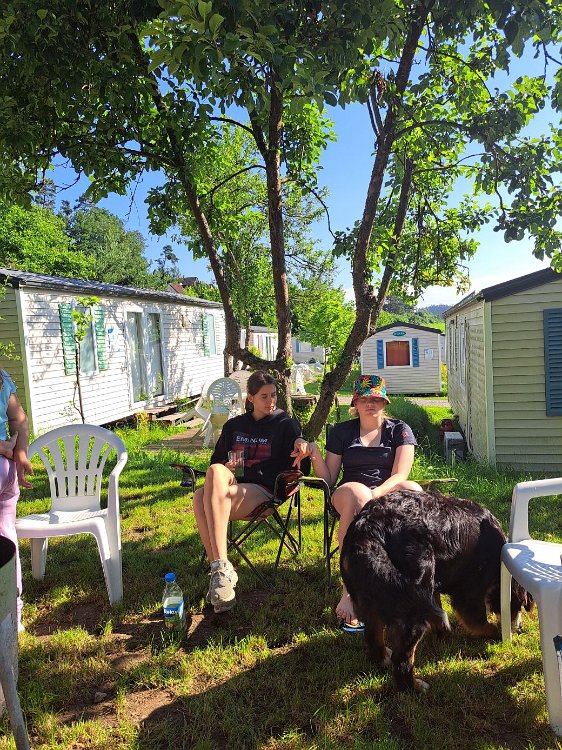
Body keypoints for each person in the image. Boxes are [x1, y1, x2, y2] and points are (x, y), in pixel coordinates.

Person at [303, 374, 422, 631]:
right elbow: (329, 478)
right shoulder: (342, 432)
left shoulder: (400, 430)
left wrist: (377, 493)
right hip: (349, 493)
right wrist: (314, 454)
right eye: (365, 399)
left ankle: (412, 584)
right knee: (359, 495)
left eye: (376, 399)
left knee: (415, 491)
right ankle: (350, 591)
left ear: (385, 402)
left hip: (384, 491)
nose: (370, 404)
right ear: (355, 403)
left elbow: (400, 474)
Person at [193, 370, 309, 613]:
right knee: (212, 475)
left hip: (264, 490)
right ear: (251, 398)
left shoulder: (285, 424)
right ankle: (221, 569)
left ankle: (219, 570)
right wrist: (227, 466)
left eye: (273, 395)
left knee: (201, 498)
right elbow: (216, 462)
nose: (271, 401)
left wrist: (301, 444)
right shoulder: (234, 426)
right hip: (232, 486)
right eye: (264, 396)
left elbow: (299, 448)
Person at [0, 369, 33, 631]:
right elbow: (20, 421)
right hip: (7, 470)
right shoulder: (2, 377)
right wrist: (19, 455)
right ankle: (13, 613)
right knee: (7, 538)